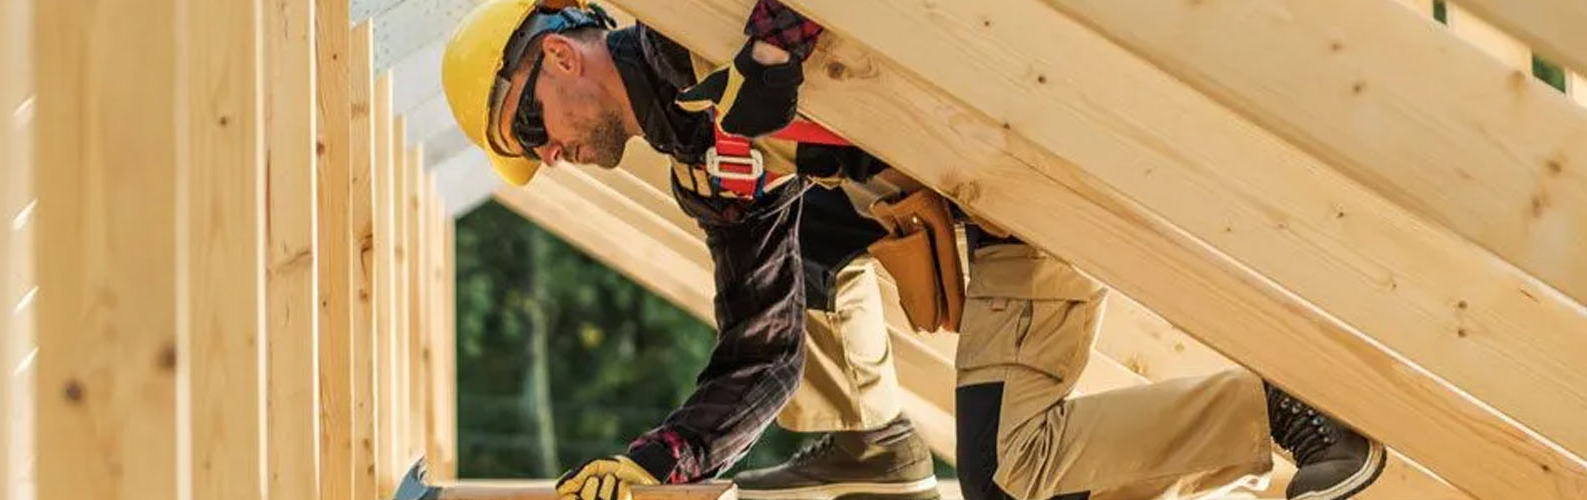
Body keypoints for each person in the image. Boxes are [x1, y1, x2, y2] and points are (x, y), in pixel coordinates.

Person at [437, 1, 1387, 499]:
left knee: (1004, 474)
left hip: (1028, 163)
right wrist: (657, 463)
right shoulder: (707, 166)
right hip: (989, 222)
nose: (552, 157)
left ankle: (1278, 414)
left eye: (531, 132)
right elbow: (762, 351)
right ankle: (871, 437)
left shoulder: (694, 23)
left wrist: (771, 49)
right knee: (1017, 487)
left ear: (557, 58)